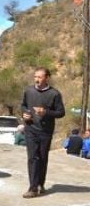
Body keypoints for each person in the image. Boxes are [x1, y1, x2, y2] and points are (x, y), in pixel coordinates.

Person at [21, 67, 65, 198]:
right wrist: (25, 114)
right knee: (33, 157)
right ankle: (33, 188)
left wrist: (46, 112)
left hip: (45, 131)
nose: (37, 80)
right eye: (35, 77)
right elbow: (23, 105)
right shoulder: (28, 91)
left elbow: (61, 112)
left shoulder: (54, 94)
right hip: (30, 129)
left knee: (42, 158)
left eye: (40, 77)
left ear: (47, 78)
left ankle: (40, 183)